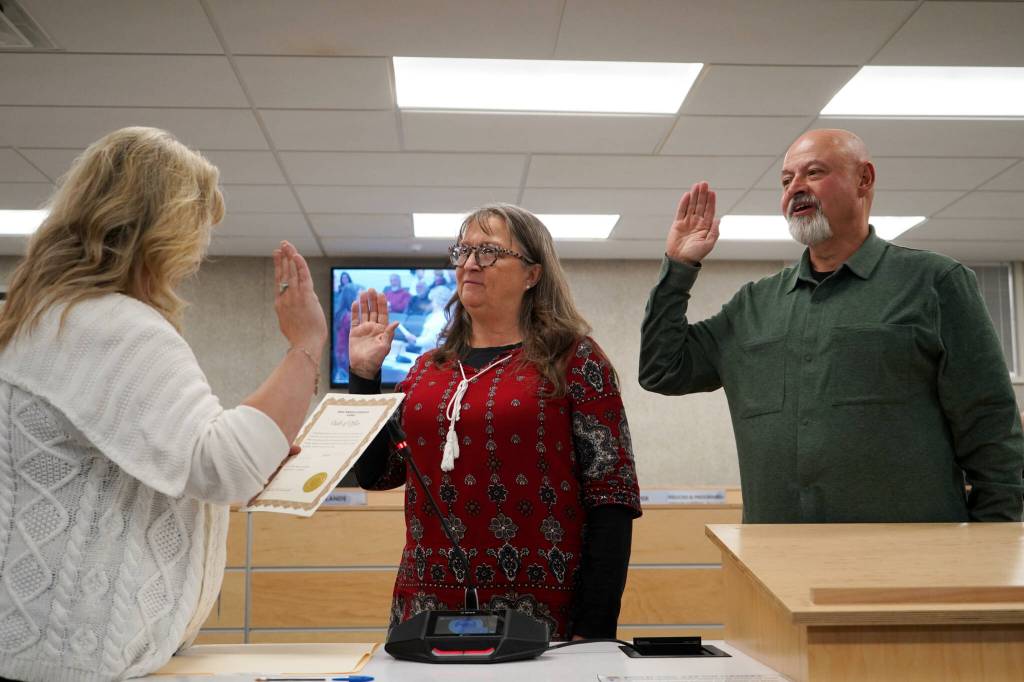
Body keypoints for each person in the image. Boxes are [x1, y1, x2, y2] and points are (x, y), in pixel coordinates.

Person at [0, 127, 327, 681]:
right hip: (85, 658)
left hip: (37, 645)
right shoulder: (114, 326)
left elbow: (122, 467)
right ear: (164, 229)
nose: (197, 252)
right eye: (197, 231)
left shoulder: (41, 320)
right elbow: (224, 466)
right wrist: (305, 345)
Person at [639, 128, 1024, 524]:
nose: (795, 189)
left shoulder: (934, 283)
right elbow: (661, 369)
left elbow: (991, 425)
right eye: (786, 181)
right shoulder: (754, 305)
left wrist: (991, 541)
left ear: (864, 179)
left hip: (908, 565)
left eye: (814, 173)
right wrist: (679, 269)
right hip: (777, 563)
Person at [347, 204, 641, 640]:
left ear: (532, 274)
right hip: (426, 610)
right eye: (463, 250)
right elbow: (378, 474)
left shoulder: (574, 360)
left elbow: (611, 498)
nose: (469, 263)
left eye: (488, 252)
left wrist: (595, 627)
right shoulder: (426, 371)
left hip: (542, 617)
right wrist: (364, 379)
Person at [396, 284, 450, 351]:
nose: (431, 304)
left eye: (432, 300)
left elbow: (431, 341)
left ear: (436, 300)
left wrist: (415, 340)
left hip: (433, 354)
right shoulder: (440, 316)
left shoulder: (439, 318)